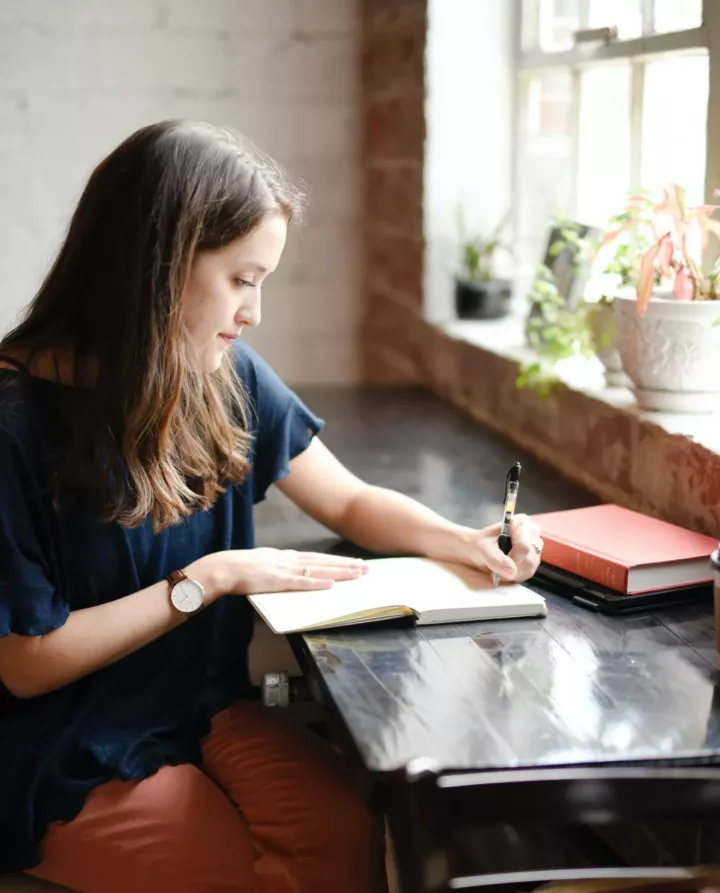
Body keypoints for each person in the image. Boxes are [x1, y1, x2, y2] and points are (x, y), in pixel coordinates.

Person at [0, 119, 543, 893]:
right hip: (58, 741)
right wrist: (209, 577)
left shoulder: (221, 373)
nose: (254, 311)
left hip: (200, 704)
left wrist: (464, 539)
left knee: (346, 836)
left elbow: (348, 498)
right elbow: (26, 664)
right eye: (241, 278)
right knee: (231, 873)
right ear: (156, 265)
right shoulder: (14, 424)